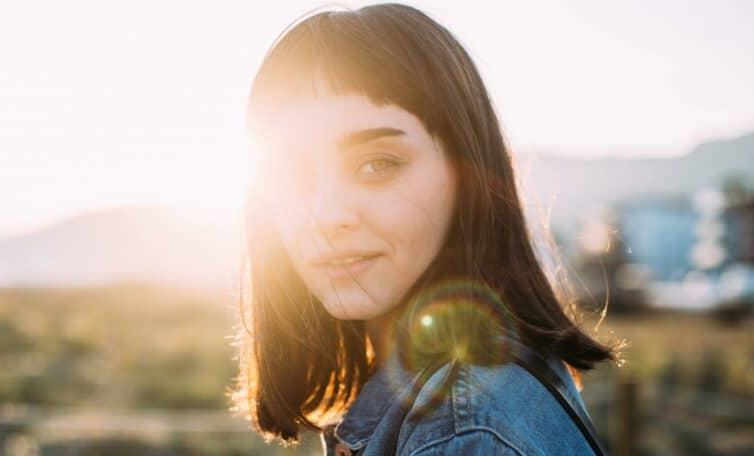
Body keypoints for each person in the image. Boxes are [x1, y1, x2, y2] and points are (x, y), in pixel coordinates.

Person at [230, 3, 619, 455]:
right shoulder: (466, 395)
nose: (326, 213)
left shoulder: (464, 429)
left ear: (467, 172)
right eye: (291, 174)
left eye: (377, 164)